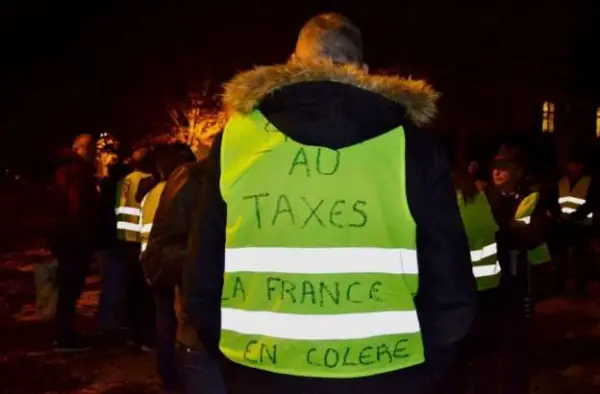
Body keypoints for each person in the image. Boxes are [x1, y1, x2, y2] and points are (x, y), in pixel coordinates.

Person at [185, 13, 476, 394]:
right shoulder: (411, 145)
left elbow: (203, 264)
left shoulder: (238, 139)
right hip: (387, 372)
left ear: (292, 61)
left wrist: (227, 355)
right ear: (364, 70)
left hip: (259, 368)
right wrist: (430, 365)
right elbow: (447, 272)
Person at [485, 144, 550, 394]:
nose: (497, 173)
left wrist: (507, 231)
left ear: (518, 171)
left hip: (520, 280)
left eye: (504, 168)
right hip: (490, 281)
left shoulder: (530, 198)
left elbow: (533, 234)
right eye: (495, 168)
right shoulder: (485, 196)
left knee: (517, 346)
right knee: (488, 345)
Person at [139, 143, 197, 393]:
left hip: (154, 268)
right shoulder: (184, 191)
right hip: (174, 270)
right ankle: (176, 377)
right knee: (177, 326)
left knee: (164, 323)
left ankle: (167, 376)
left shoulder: (151, 193)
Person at [449, 168, 500, 394]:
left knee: (459, 355)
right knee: (481, 355)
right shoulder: (478, 198)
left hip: (459, 288)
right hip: (487, 284)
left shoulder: (449, 202)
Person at [49, 134, 99, 351]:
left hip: (66, 237)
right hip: (74, 239)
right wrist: (84, 237)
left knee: (68, 289)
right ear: (78, 149)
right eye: (89, 148)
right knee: (70, 288)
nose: (93, 152)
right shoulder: (78, 173)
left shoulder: (66, 171)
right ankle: (64, 337)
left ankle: (64, 333)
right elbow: (77, 209)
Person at [115, 147, 154, 350]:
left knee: (130, 288)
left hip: (124, 239)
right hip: (141, 238)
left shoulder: (125, 180)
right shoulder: (147, 179)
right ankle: (145, 335)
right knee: (143, 291)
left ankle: (131, 332)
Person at [95, 144, 129, 335]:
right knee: (112, 282)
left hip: (107, 240)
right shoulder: (111, 189)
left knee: (112, 282)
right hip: (111, 241)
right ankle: (107, 325)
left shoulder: (105, 187)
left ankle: (109, 322)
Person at [553, 154, 598, 296]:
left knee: (580, 258)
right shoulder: (561, 182)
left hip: (581, 226)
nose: (573, 167)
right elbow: (553, 200)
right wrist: (558, 215)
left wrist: (575, 216)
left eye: (576, 164)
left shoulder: (590, 183)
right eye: (571, 164)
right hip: (563, 225)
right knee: (561, 257)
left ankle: (580, 287)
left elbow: (593, 203)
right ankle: (559, 285)